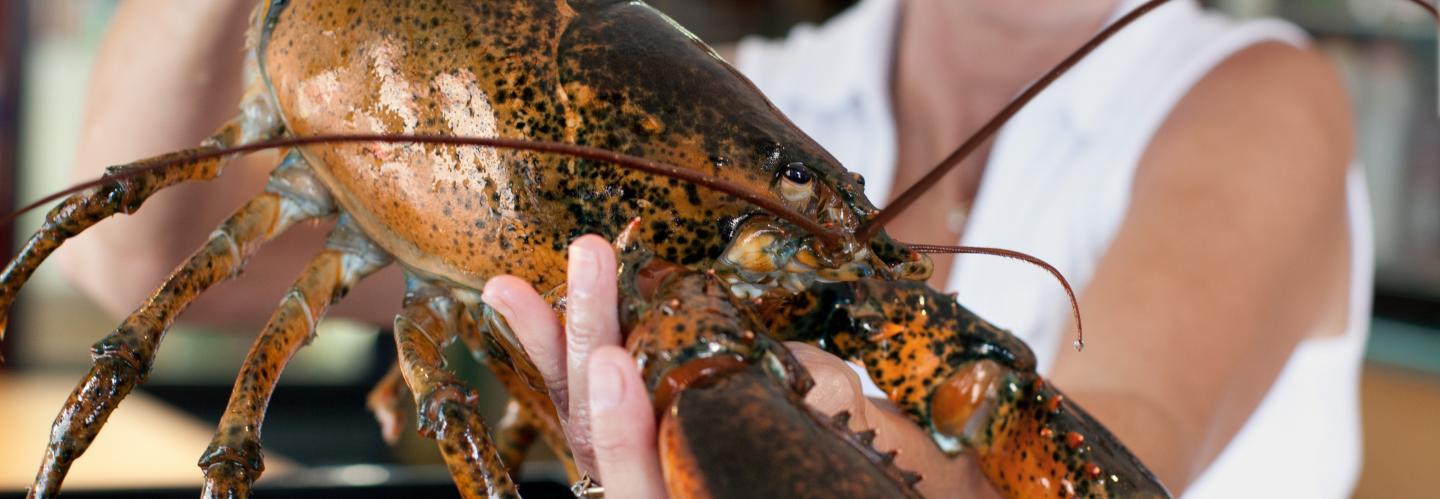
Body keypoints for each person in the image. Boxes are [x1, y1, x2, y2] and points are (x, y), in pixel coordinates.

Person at [64, 0, 1364, 497]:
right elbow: (145, 267)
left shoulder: (1256, 91)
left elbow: (1092, 443)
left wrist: (688, 374)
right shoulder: (737, 93)